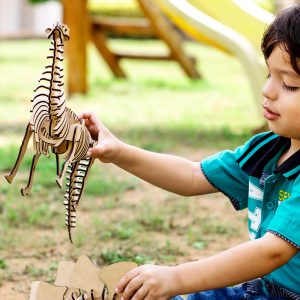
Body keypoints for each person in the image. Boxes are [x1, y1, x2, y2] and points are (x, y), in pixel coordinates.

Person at [79, 4, 300, 300]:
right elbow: (192, 176)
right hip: (260, 290)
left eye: (289, 84)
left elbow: (271, 253)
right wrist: (118, 151)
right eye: (269, 75)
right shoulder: (266, 151)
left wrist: (176, 277)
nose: (268, 90)